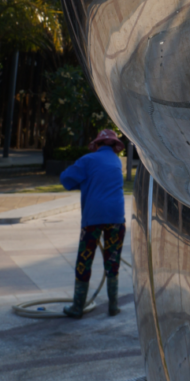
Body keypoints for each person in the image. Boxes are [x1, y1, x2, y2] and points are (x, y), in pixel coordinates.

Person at [59, 128, 126, 318]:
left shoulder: (88, 160)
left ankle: (77, 308)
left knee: (84, 261)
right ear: (115, 146)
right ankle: (113, 306)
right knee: (112, 263)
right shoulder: (116, 161)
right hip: (116, 219)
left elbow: (65, 179)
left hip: (93, 220)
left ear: (96, 144)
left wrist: (83, 182)